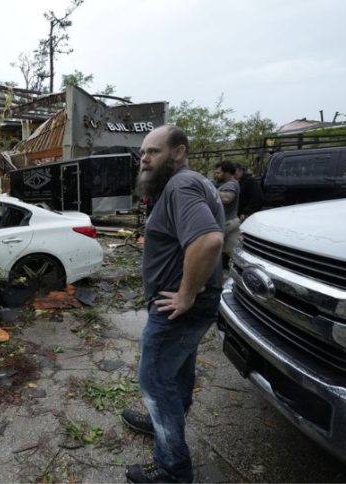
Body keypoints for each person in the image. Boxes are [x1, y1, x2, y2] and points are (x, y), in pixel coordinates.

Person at [122, 126, 224, 483]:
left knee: (154, 380)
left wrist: (186, 293)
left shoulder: (181, 185)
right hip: (191, 306)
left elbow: (209, 240)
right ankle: (159, 422)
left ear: (178, 152)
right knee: (177, 373)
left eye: (153, 151)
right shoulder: (192, 183)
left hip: (178, 309)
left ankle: (172, 469)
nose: (145, 159)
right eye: (143, 153)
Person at [213, 161, 240, 267]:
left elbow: (227, 198)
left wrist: (209, 189)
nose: (216, 175)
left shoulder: (231, 184)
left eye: (219, 173)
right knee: (232, 253)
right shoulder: (230, 183)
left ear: (227, 173)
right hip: (232, 221)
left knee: (212, 251)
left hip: (226, 223)